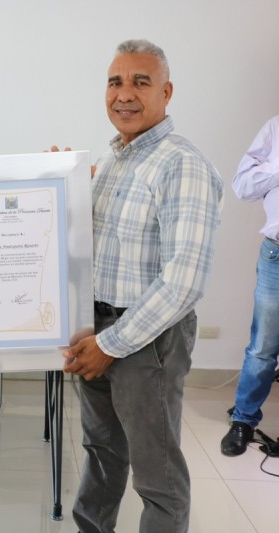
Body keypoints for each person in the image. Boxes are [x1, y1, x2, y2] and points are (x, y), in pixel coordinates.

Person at [62, 40, 223, 533]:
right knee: (102, 453)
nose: (124, 94)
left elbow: (184, 280)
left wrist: (109, 344)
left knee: (157, 475)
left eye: (140, 82)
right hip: (96, 329)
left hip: (145, 340)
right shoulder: (113, 160)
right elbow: (88, 243)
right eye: (115, 82)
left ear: (166, 92)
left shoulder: (181, 164)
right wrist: (55, 185)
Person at [220, 116, 279, 456]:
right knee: (263, 348)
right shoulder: (275, 128)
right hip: (277, 255)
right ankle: (243, 421)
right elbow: (242, 186)